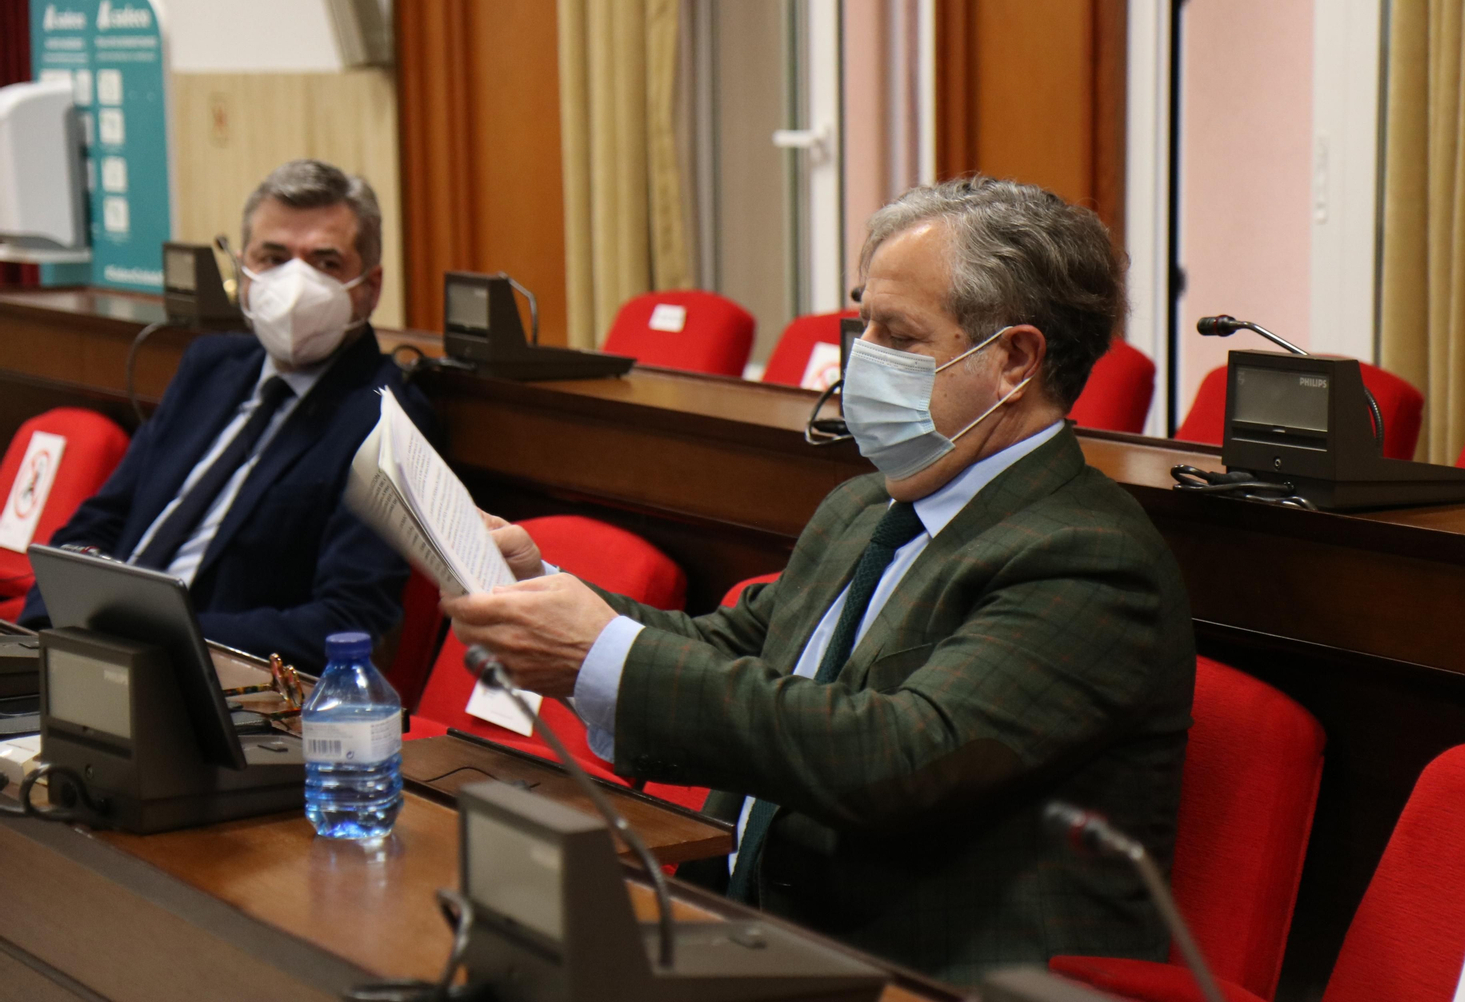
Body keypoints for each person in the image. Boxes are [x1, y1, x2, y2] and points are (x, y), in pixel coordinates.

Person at [444, 176, 1195, 984]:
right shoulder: (866, 504)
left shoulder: (1087, 556)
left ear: (1013, 360)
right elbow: (734, 648)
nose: (856, 360)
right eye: (860, 322)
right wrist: (538, 587)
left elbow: (898, 757)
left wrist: (598, 653)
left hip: (932, 971)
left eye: (898, 336)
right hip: (763, 930)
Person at [20, 159, 435, 673]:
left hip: (211, 681)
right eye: (274, 257)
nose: (295, 281)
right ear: (244, 270)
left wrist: (156, 634)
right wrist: (40, 626)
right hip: (91, 652)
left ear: (370, 288)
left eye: (325, 262)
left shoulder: (387, 419)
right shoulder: (210, 365)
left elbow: (347, 620)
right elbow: (103, 520)